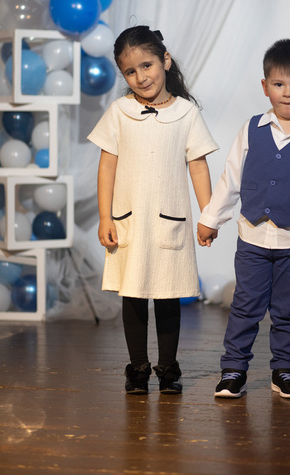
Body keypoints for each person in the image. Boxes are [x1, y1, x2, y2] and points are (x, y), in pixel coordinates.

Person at [197, 39, 290, 399]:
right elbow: (231, 178)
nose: (288, 93)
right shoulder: (251, 129)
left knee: (288, 310)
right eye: (279, 84)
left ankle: (285, 370)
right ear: (265, 87)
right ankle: (234, 370)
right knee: (245, 307)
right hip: (253, 238)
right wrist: (212, 217)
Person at [88, 26, 218, 395]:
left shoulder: (186, 113)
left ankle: (169, 369)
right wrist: (105, 216)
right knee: (132, 293)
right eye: (130, 71)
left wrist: (208, 215)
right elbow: (107, 166)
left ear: (165, 61)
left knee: (168, 293)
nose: (141, 76)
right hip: (129, 220)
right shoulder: (120, 111)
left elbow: (198, 165)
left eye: (147, 65)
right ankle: (138, 368)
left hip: (169, 220)